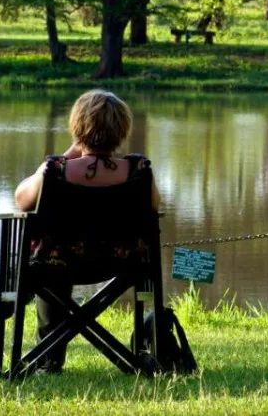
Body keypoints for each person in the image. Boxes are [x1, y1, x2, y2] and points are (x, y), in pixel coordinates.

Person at [13, 89, 160, 373]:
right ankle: (127, 360)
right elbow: (155, 206)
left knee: (52, 260)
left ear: (78, 127)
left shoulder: (56, 170)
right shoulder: (139, 170)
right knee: (55, 261)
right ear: (122, 129)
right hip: (123, 263)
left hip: (59, 263)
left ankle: (49, 358)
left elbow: (21, 199)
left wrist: (64, 155)